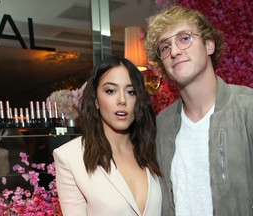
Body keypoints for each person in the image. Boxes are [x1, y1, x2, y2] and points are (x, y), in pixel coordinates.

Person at [145, 5, 253, 216]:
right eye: (165, 47)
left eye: (184, 38)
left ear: (209, 45)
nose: (174, 51)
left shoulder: (247, 108)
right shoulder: (162, 125)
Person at [53, 55, 162, 216]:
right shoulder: (70, 157)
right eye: (110, 91)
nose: (122, 100)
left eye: (131, 92)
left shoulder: (154, 147)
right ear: (96, 100)